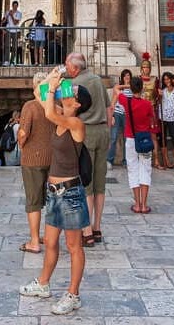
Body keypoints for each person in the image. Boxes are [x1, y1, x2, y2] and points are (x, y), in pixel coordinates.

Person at [19, 67, 92, 315]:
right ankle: (43, 284)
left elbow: (47, 108)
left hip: (71, 193)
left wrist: (52, 88)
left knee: (74, 246)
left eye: (71, 92)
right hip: (54, 192)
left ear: (78, 103)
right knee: (50, 241)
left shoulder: (75, 122)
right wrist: (51, 80)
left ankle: (73, 294)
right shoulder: (61, 113)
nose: (67, 92)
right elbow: (42, 99)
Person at [64, 52, 108, 247]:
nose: (65, 68)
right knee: (100, 183)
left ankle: (87, 231)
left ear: (76, 67)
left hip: (86, 132)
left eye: (67, 65)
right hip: (103, 130)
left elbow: (63, 107)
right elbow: (108, 107)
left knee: (86, 182)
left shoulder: (71, 85)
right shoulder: (98, 80)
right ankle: (97, 227)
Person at [18, 71, 53, 254]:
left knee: (34, 201)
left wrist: (20, 142)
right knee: (51, 200)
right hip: (52, 157)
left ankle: (34, 241)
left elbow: (23, 133)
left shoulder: (30, 106)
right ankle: (48, 236)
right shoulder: (54, 105)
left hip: (32, 158)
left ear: (34, 87)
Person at [120, 76, 154, 213]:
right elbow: (151, 118)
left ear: (131, 87)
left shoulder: (125, 101)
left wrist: (127, 86)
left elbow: (116, 89)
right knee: (145, 170)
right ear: (142, 87)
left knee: (133, 169)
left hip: (131, 139)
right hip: (144, 140)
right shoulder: (147, 104)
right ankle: (144, 205)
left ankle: (137, 204)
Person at [137, 55, 161, 168]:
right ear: (141, 68)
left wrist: (159, 94)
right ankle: (140, 159)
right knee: (139, 135)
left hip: (151, 109)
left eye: (147, 67)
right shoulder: (137, 79)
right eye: (144, 67)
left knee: (153, 136)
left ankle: (156, 160)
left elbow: (157, 96)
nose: (146, 69)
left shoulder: (155, 80)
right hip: (140, 109)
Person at [158, 71, 174, 169]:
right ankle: (166, 160)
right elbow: (158, 102)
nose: (166, 81)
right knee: (163, 139)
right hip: (163, 117)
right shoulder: (162, 91)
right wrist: (159, 95)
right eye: (164, 79)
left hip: (173, 117)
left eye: (168, 79)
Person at [107, 69, 132, 168]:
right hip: (117, 114)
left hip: (127, 115)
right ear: (122, 77)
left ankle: (126, 161)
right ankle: (109, 160)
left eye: (128, 75)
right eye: (125, 75)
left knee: (127, 139)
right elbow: (112, 102)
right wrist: (112, 116)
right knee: (113, 137)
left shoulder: (132, 89)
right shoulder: (118, 87)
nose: (127, 77)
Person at [4, 0, 22, 65]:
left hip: (15, 31)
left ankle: (12, 61)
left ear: (17, 6)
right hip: (8, 30)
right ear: (12, 6)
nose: (15, 7)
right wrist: (6, 17)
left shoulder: (19, 13)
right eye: (14, 6)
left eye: (16, 6)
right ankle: (6, 61)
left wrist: (11, 15)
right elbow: (4, 21)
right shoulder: (7, 12)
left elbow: (15, 23)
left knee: (14, 46)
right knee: (7, 46)